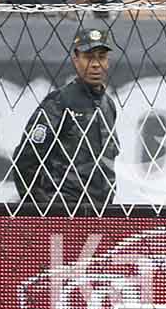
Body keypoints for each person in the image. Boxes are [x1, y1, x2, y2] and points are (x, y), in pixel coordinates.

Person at [13, 26, 119, 214]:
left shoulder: (107, 105)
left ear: (108, 62)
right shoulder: (59, 102)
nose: (95, 64)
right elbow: (26, 158)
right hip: (63, 209)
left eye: (101, 57)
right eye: (88, 57)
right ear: (75, 59)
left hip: (102, 209)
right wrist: (41, 208)